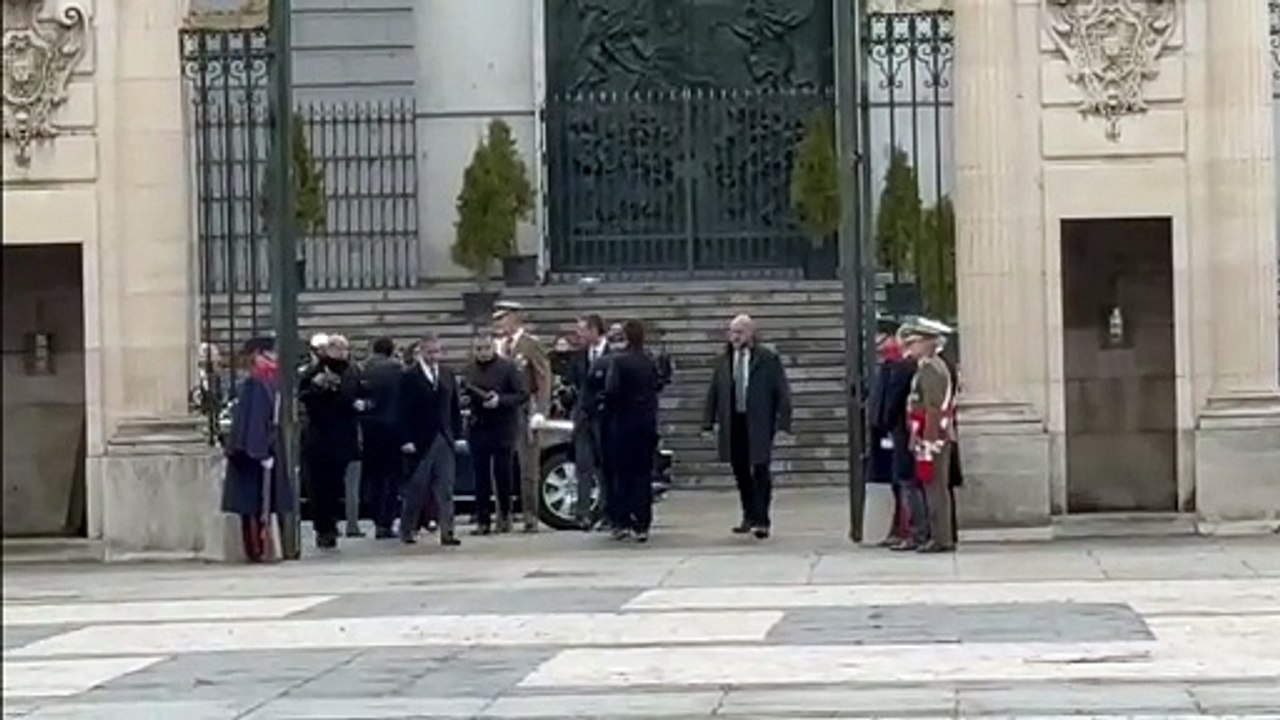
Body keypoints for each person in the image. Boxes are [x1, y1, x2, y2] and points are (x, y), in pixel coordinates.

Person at [701, 314, 792, 540]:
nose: (735, 337)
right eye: (732, 332)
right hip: (733, 421)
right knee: (740, 471)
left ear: (751, 333)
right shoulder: (724, 360)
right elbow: (714, 392)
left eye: (739, 332)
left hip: (759, 420)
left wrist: (784, 421)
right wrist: (708, 421)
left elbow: (781, 390)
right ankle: (748, 515)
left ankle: (762, 519)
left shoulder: (767, 359)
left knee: (760, 468)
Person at [221, 335, 293, 562]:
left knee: (262, 505)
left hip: (265, 447)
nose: (275, 357)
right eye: (270, 353)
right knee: (253, 507)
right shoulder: (256, 382)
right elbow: (255, 419)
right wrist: (259, 451)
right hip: (254, 454)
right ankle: (257, 549)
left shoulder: (268, 380)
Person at [398, 333, 464, 546]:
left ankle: (448, 531)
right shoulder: (409, 376)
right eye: (430, 352)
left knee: (445, 487)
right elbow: (401, 410)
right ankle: (407, 529)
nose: (434, 355)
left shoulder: (447, 374)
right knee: (416, 488)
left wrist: (457, 434)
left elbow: (454, 408)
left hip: (444, 438)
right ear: (421, 352)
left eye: (437, 351)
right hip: (420, 439)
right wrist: (405, 438)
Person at [298, 334, 361, 550]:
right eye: (336, 348)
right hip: (319, 435)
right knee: (318, 486)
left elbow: (362, 394)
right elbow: (302, 395)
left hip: (343, 435)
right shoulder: (315, 371)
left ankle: (332, 523)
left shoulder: (353, 371)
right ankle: (323, 528)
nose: (341, 352)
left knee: (336, 486)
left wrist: (363, 404)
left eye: (344, 348)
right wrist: (319, 388)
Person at [493, 301, 551, 533]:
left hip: (524, 410)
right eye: (497, 319)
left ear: (516, 318)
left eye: (503, 318)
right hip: (500, 413)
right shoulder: (495, 346)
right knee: (500, 467)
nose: (499, 323)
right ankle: (503, 516)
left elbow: (543, 378)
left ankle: (530, 515)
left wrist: (541, 411)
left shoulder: (530, 345)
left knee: (528, 467)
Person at [463, 334, 527, 535]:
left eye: (486, 348)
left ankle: (505, 516)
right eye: (479, 349)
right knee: (480, 475)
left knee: (502, 473)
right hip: (478, 426)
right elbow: (463, 391)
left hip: (502, 426)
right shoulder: (470, 369)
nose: (482, 353)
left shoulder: (507, 367)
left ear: (493, 348)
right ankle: (482, 519)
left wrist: (499, 400)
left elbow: (521, 394)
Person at [603, 319, 661, 542]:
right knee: (643, 475)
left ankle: (622, 520)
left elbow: (611, 390)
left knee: (622, 474)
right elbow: (658, 384)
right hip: (645, 422)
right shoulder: (649, 361)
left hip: (622, 422)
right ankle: (643, 523)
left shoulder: (619, 362)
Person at [903, 317, 957, 553]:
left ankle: (941, 538)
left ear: (927, 343)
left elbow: (933, 407)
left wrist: (928, 440)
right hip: (927, 433)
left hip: (933, 437)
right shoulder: (927, 366)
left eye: (914, 342)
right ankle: (938, 536)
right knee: (931, 487)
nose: (910, 347)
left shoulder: (932, 369)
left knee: (935, 489)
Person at [568, 313, 611, 530]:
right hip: (584, 418)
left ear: (594, 330)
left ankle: (606, 512)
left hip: (607, 418)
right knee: (583, 465)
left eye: (582, 330)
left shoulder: (614, 354)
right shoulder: (578, 357)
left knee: (606, 466)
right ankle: (583, 513)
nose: (579, 334)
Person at [360, 336, 405, 539]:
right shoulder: (398, 369)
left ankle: (377, 518)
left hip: (370, 428)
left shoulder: (363, 369)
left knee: (375, 477)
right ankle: (387, 521)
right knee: (393, 477)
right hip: (394, 427)